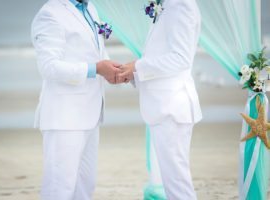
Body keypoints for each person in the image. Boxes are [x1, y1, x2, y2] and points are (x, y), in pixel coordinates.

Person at [31, 0, 121, 199]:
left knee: (85, 187)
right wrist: (95, 69)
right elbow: (49, 66)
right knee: (59, 188)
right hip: (65, 117)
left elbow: (95, 51)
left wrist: (112, 70)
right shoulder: (50, 13)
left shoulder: (90, 9)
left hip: (91, 112)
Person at [118, 0, 202, 199]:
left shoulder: (181, 5)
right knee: (172, 181)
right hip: (164, 105)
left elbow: (181, 58)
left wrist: (137, 66)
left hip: (172, 106)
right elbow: (161, 55)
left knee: (177, 183)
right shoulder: (167, 4)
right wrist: (133, 75)